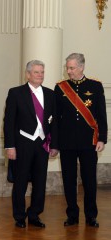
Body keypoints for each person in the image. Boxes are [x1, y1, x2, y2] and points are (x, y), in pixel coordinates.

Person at [54, 53, 107, 228]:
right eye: (67, 68)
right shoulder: (61, 88)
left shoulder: (95, 86)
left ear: (82, 67)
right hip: (67, 142)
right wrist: (55, 143)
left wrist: (102, 138)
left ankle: (91, 215)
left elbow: (101, 115)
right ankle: (72, 215)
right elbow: (56, 118)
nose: (68, 71)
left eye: (71, 68)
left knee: (89, 180)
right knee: (68, 180)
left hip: (88, 142)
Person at [4, 60, 58, 228]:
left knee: (40, 181)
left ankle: (34, 214)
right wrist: (10, 146)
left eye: (42, 72)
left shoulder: (50, 94)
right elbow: (9, 122)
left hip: (42, 144)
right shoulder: (16, 93)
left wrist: (54, 144)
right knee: (20, 182)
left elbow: (54, 123)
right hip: (22, 144)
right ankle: (19, 216)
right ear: (28, 74)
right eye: (36, 72)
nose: (40, 75)